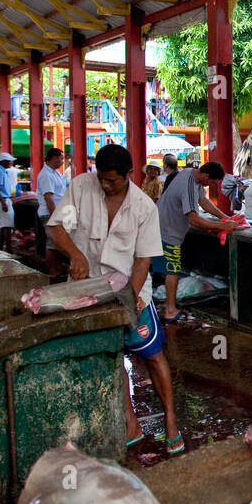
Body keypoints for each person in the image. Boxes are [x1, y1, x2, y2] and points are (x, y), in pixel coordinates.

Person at [46, 144, 182, 452]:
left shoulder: (144, 207)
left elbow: (143, 260)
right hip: (88, 290)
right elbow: (56, 228)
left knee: (152, 355)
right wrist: (75, 254)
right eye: (102, 179)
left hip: (131, 290)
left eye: (112, 180)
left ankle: (171, 421)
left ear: (129, 175)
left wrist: (131, 296)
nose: (105, 185)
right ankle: (130, 421)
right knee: (111, 356)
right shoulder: (81, 186)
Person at [157, 161, 232, 322]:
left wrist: (225, 218)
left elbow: (203, 201)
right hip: (167, 231)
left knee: (167, 268)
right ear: (206, 176)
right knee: (173, 270)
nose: (211, 186)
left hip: (163, 227)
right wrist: (222, 225)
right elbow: (194, 220)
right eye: (212, 182)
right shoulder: (190, 184)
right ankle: (170, 310)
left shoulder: (190, 173)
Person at [35, 148, 68, 273]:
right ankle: (53, 270)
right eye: (61, 158)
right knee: (53, 241)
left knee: (56, 241)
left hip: (57, 212)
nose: (62, 161)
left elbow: (66, 184)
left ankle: (57, 267)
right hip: (49, 213)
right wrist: (55, 215)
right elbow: (48, 197)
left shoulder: (55, 173)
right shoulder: (46, 174)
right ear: (53, 158)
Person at [0, 153, 17, 249]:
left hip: (2, 199)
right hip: (1, 199)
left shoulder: (1, 171)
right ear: (4, 161)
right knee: (7, 225)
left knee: (4, 225)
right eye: (10, 161)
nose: (11, 162)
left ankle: (1, 247)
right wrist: (3, 202)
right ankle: (8, 249)